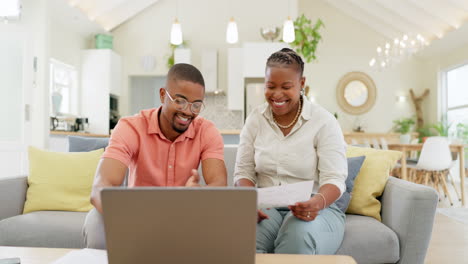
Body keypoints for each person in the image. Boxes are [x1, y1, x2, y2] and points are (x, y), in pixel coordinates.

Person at [83, 63, 227, 249]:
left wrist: (197, 196)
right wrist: (130, 220)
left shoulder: (207, 131)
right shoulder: (131, 127)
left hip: (186, 215)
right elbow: (100, 188)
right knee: (95, 221)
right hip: (136, 215)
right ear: (162, 95)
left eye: (196, 105)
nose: (187, 111)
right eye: (180, 101)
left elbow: (219, 185)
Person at [233, 48, 347, 255]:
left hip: (319, 206)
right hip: (268, 206)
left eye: (286, 87)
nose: (277, 94)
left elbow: (335, 179)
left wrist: (317, 203)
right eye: (270, 86)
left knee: (297, 237)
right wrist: (249, 201)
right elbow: (243, 172)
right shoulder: (255, 119)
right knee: (243, 239)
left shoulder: (324, 122)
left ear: (301, 83)